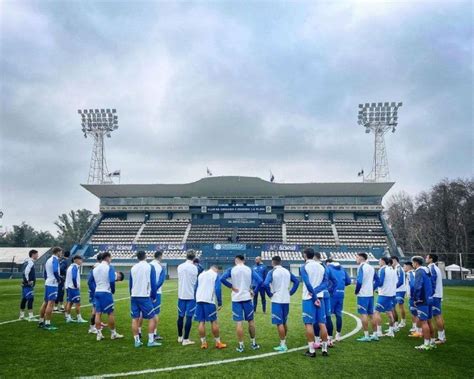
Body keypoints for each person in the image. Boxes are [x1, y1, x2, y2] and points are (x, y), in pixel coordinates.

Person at [221, 254, 263, 353]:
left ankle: (241, 346)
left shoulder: (232, 269)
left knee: (239, 323)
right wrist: (254, 291)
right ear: (244, 260)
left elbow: (222, 279)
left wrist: (231, 286)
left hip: (236, 299)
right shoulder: (249, 269)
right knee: (251, 321)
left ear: (236, 260)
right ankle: (253, 343)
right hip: (247, 298)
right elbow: (260, 281)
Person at [263, 255, 299, 352]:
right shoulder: (287, 271)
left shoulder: (272, 272)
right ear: (280, 262)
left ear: (272, 262)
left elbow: (265, 284)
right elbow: (296, 281)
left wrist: (270, 293)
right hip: (286, 299)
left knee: (279, 323)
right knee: (284, 321)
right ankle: (283, 341)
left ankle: (283, 345)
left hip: (277, 299)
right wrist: (291, 292)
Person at [300, 248, 329, 357]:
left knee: (308, 323)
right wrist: (317, 293)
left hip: (309, 298)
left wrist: (313, 296)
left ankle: (311, 351)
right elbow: (326, 283)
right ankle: (325, 349)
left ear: (305, 255)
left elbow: (307, 284)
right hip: (320, 298)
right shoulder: (321, 266)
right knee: (322, 323)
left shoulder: (304, 267)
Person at [129, 251, 161, 348]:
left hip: (134, 296)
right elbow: (153, 283)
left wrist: (131, 295)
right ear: (145, 256)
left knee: (135, 319)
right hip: (144, 296)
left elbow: (130, 284)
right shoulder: (150, 267)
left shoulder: (133, 268)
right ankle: (151, 341)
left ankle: (137, 341)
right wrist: (154, 296)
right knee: (152, 317)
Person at [93, 251, 124, 341]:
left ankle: (99, 334)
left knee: (98, 313)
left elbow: (91, 280)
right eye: (110, 258)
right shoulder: (109, 267)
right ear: (107, 258)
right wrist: (113, 290)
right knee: (110, 313)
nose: (111, 260)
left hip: (97, 291)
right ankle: (113, 333)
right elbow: (111, 280)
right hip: (105, 292)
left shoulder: (95, 268)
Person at [195, 265, 227, 350]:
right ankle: (218, 342)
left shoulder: (201, 274)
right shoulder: (215, 275)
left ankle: (203, 343)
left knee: (201, 322)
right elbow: (217, 289)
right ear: (216, 269)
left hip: (199, 300)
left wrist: (196, 299)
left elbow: (195, 288)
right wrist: (219, 302)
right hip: (209, 301)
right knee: (214, 322)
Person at [412, 256, 435, 350]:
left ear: (416, 263)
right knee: (429, 321)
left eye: (413, 263)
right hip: (429, 298)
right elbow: (433, 283)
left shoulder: (419, 271)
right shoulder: (427, 270)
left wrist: (415, 299)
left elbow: (418, 286)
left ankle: (426, 344)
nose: (412, 264)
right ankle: (432, 342)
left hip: (422, 299)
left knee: (423, 322)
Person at [326, 258, 352, 341]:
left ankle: (329, 336)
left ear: (328, 263)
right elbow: (348, 281)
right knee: (338, 314)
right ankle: (338, 334)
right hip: (341, 293)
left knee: (328, 315)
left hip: (331, 294)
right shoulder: (342, 269)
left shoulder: (328, 268)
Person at [355, 252, 379, 342]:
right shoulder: (371, 267)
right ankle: (375, 334)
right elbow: (378, 280)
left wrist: (357, 291)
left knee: (363, 314)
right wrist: (372, 288)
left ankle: (366, 336)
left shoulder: (361, 267)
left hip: (363, 295)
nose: (356, 259)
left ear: (361, 258)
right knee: (371, 315)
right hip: (370, 294)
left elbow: (360, 281)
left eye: (357, 257)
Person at [177, 250, 199, 346]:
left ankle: (180, 337)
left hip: (181, 295)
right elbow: (195, 281)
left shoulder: (180, 266)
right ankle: (185, 339)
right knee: (189, 317)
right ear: (194, 258)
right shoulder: (194, 268)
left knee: (180, 316)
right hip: (190, 296)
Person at [38, 247, 62, 330]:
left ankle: (41, 321)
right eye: (60, 252)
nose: (61, 254)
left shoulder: (48, 260)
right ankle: (48, 324)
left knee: (45, 302)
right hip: (53, 283)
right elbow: (55, 271)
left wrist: (47, 279)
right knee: (50, 303)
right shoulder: (55, 259)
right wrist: (58, 280)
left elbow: (45, 272)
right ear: (57, 252)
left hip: (48, 282)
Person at [373, 257, 397, 339]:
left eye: (379, 261)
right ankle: (391, 331)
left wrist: (374, 287)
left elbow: (380, 282)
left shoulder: (382, 269)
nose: (378, 262)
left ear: (383, 261)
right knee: (389, 313)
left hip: (384, 294)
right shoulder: (393, 270)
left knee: (376, 312)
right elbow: (395, 282)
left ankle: (379, 331)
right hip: (391, 294)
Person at [312, 253, 333, 348]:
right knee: (326, 317)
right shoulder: (325, 267)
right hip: (326, 294)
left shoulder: (314, 267)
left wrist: (315, 290)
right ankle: (329, 339)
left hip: (318, 294)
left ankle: (317, 340)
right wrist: (329, 290)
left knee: (317, 318)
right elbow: (334, 281)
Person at [426, 254, 446, 344]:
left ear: (431, 259)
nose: (425, 258)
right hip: (436, 295)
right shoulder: (435, 267)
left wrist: (430, 294)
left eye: (427, 257)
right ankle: (442, 336)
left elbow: (432, 282)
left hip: (434, 296)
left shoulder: (432, 268)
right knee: (438, 316)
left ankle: (441, 338)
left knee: (437, 316)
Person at [64, 255, 87, 323]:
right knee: (77, 303)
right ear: (76, 260)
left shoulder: (70, 267)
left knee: (70, 303)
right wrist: (76, 285)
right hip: (73, 288)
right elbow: (74, 277)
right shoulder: (74, 267)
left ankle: (68, 317)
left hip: (69, 287)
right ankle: (79, 318)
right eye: (80, 260)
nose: (81, 261)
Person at [149, 250, 166, 341]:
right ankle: (154, 334)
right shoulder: (160, 266)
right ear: (160, 256)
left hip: (147, 292)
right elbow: (161, 281)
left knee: (141, 313)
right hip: (156, 292)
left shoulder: (148, 265)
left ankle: (139, 333)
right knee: (155, 313)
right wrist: (154, 290)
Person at [19, 249, 39, 321]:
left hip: (24, 284)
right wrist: (28, 281)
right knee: (30, 299)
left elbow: (23, 272)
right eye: (37, 254)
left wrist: (24, 280)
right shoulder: (30, 262)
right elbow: (25, 272)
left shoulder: (26, 262)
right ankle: (31, 317)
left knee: (24, 299)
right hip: (28, 285)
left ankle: (21, 316)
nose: (37, 256)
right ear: (33, 254)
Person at [404, 261, 422, 337]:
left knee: (415, 312)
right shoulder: (414, 273)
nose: (404, 268)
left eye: (404, 266)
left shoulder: (409, 274)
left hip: (413, 296)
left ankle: (418, 330)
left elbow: (412, 285)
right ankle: (415, 328)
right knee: (415, 312)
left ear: (409, 267)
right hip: (415, 295)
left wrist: (412, 296)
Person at [87, 253, 102, 334]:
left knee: (97, 309)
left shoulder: (96, 266)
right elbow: (90, 281)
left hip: (95, 291)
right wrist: (95, 289)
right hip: (96, 291)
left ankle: (97, 325)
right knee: (95, 310)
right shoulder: (97, 267)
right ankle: (92, 327)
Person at [392, 256, 406, 330]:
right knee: (393, 306)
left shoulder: (399, 268)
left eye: (392, 261)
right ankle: (395, 322)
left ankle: (403, 321)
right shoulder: (395, 269)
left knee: (400, 306)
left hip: (399, 290)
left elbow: (400, 281)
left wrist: (393, 288)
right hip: (396, 290)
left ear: (395, 260)